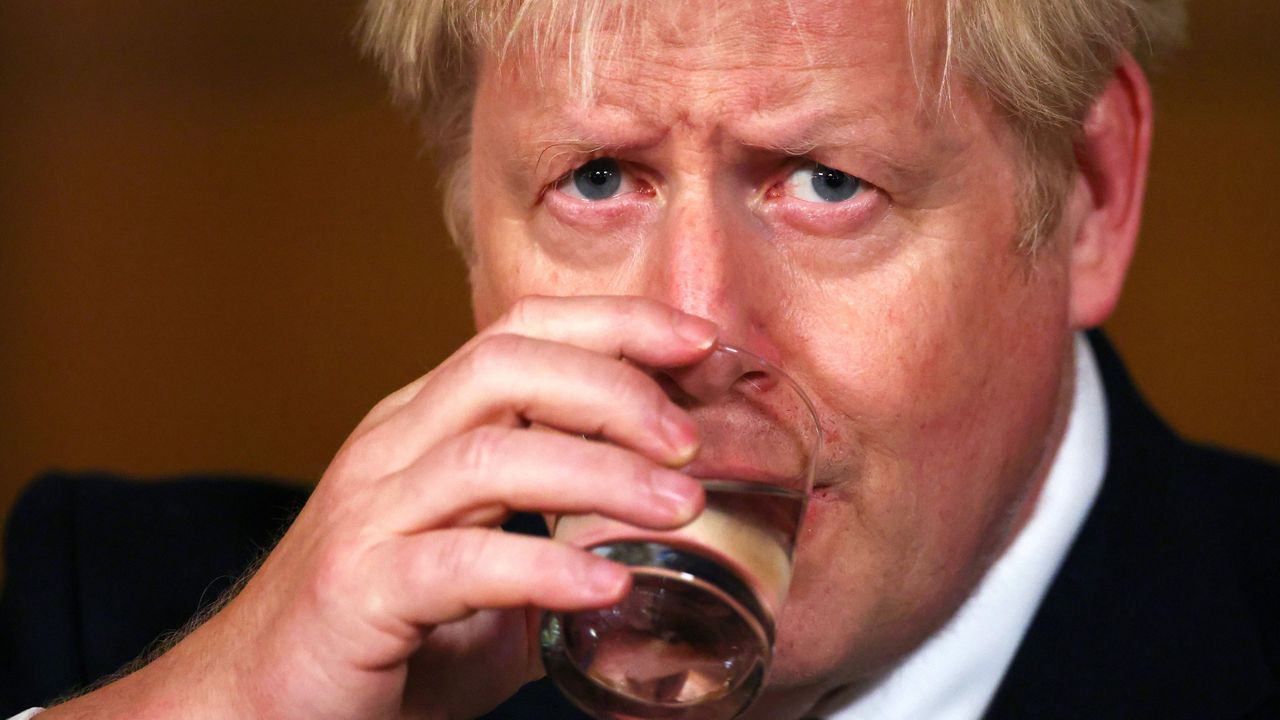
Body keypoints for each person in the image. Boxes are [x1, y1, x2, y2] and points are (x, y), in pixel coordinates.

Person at [1, 0, 1276, 718]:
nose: (697, 335)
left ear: (1094, 193)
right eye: (596, 179)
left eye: (827, 183)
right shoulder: (105, 626)